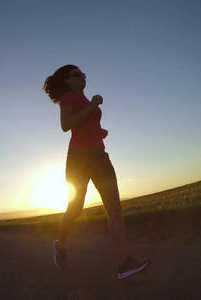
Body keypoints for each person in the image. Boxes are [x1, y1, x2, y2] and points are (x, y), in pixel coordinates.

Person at [42, 64, 150, 279]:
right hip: (78, 159)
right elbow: (66, 125)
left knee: (114, 209)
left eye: (82, 72)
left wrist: (100, 132)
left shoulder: (85, 100)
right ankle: (60, 244)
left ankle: (124, 263)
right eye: (76, 74)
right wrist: (93, 105)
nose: (83, 75)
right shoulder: (68, 98)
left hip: (100, 157)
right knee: (76, 207)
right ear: (67, 81)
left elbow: (85, 124)